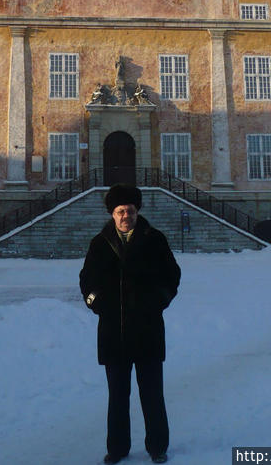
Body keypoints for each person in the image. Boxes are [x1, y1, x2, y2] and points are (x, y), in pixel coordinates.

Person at [80, 184, 181, 465]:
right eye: (121, 211)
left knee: (152, 395)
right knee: (117, 397)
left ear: (138, 212)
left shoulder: (155, 239)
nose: (126, 215)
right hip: (114, 332)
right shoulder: (99, 243)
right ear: (113, 214)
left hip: (148, 330)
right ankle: (117, 448)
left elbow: (172, 276)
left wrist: (159, 300)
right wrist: (96, 302)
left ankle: (158, 446)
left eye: (131, 211)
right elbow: (86, 280)